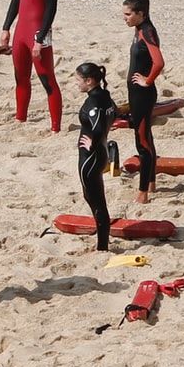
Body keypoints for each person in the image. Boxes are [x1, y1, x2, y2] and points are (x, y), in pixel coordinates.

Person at [0, 0, 61, 132]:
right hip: (20, 32)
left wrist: (40, 39)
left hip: (37, 33)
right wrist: (6, 27)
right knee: (20, 76)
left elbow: (51, 8)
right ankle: (20, 118)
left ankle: (55, 127)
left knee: (46, 78)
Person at [123, 0, 166, 203]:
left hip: (143, 94)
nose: (125, 18)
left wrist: (147, 81)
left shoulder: (147, 32)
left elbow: (159, 62)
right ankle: (151, 183)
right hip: (136, 93)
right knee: (146, 136)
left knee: (142, 142)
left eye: (129, 14)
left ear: (141, 14)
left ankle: (143, 193)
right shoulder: (140, 29)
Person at [74, 63, 119, 251]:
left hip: (91, 158)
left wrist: (90, 143)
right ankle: (102, 240)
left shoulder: (93, 102)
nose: (76, 84)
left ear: (89, 81)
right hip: (100, 154)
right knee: (92, 197)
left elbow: (99, 127)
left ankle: (102, 246)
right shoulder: (105, 95)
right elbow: (114, 113)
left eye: (78, 80)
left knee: (96, 201)